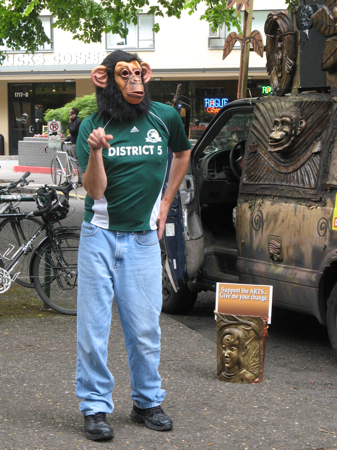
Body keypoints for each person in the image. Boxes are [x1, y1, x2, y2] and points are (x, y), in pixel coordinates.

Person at [75, 49, 191, 442]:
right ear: (103, 78)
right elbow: (94, 190)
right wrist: (95, 151)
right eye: (125, 75)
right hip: (100, 236)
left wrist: (167, 201)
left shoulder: (165, 117)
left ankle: (146, 402)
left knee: (145, 328)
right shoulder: (93, 125)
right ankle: (94, 408)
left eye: (139, 73)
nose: (135, 82)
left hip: (143, 239)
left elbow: (182, 153)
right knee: (93, 329)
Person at [64, 107, 83, 184]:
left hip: (76, 144)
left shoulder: (78, 122)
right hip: (73, 143)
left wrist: (70, 122)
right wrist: (65, 140)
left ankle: (81, 180)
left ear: (75, 114)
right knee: (69, 160)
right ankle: (68, 178)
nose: (69, 115)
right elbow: (73, 136)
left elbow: (72, 131)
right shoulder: (75, 122)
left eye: (71, 113)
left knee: (78, 162)